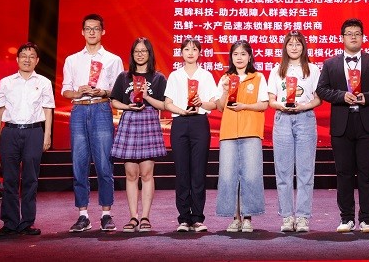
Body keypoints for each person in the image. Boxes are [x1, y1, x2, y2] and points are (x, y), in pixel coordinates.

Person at [317, 18, 369, 234]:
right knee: (344, 173)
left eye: (357, 33)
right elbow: (322, 89)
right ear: (342, 38)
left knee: (367, 173)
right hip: (341, 124)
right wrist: (341, 95)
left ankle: (367, 219)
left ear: (363, 37)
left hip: (366, 123)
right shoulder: (330, 64)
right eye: (349, 33)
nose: (353, 37)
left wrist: (366, 97)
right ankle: (347, 218)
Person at [62, 13, 124, 232]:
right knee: (79, 164)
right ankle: (83, 215)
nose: (91, 32)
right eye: (88, 29)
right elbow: (65, 90)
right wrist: (76, 92)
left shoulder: (113, 59)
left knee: (104, 164)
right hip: (79, 110)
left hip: (101, 109)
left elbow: (118, 91)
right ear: (82, 32)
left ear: (102, 32)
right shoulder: (72, 60)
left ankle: (106, 214)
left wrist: (103, 91)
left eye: (95, 29)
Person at [0, 42, 54, 236]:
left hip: (33, 132)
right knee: (9, 179)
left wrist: (47, 135)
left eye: (31, 56)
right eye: (24, 56)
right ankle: (10, 223)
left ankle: (27, 222)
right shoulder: (6, 82)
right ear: (17, 59)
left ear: (37, 60)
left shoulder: (44, 82)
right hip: (10, 132)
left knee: (30, 179)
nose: (27, 59)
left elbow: (48, 109)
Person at [109, 37, 167, 233]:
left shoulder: (158, 78)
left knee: (147, 173)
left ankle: (145, 217)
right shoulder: (124, 77)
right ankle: (133, 217)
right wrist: (128, 107)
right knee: (131, 174)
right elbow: (114, 101)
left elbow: (164, 105)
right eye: (136, 51)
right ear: (132, 54)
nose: (140, 54)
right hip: (130, 121)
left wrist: (147, 96)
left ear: (150, 54)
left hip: (149, 121)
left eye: (144, 51)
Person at [267, 31, 322, 233]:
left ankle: (303, 217)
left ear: (303, 47)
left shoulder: (313, 70)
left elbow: (318, 99)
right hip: (282, 119)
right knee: (283, 171)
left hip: (305, 119)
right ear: (285, 47)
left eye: (298, 44)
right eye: (290, 44)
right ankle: (287, 216)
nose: (294, 47)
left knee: (305, 171)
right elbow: (271, 100)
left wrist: (304, 106)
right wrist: (281, 105)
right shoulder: (277, 70)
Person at [164, 37, 218, 233]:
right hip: (180, 122)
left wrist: (201, 103)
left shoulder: (206, 76)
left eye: (194, 49)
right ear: (181, 53)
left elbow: (214, 103)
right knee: (182, 172)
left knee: (198, 171)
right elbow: (167, 103)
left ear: (199, 53)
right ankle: (184, 218)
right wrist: (181, 110)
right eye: (186, 49)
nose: (190, 53)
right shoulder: (174, 76)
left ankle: (197, 218)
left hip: (199, 123)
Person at [215, 40, 269, 233]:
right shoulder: (225, 78)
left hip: (251, 130)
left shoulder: (258, 77)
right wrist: (224, 90)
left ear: (250, 56)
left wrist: (245, 106)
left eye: (243, 54)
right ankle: (234, 218)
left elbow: (264, 104)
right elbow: (220, 107)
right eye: (236, 54)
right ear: (231, 57)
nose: (239, 58)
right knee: (228, 176)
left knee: (251, 175)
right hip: (229, 132)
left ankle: (247, 218)